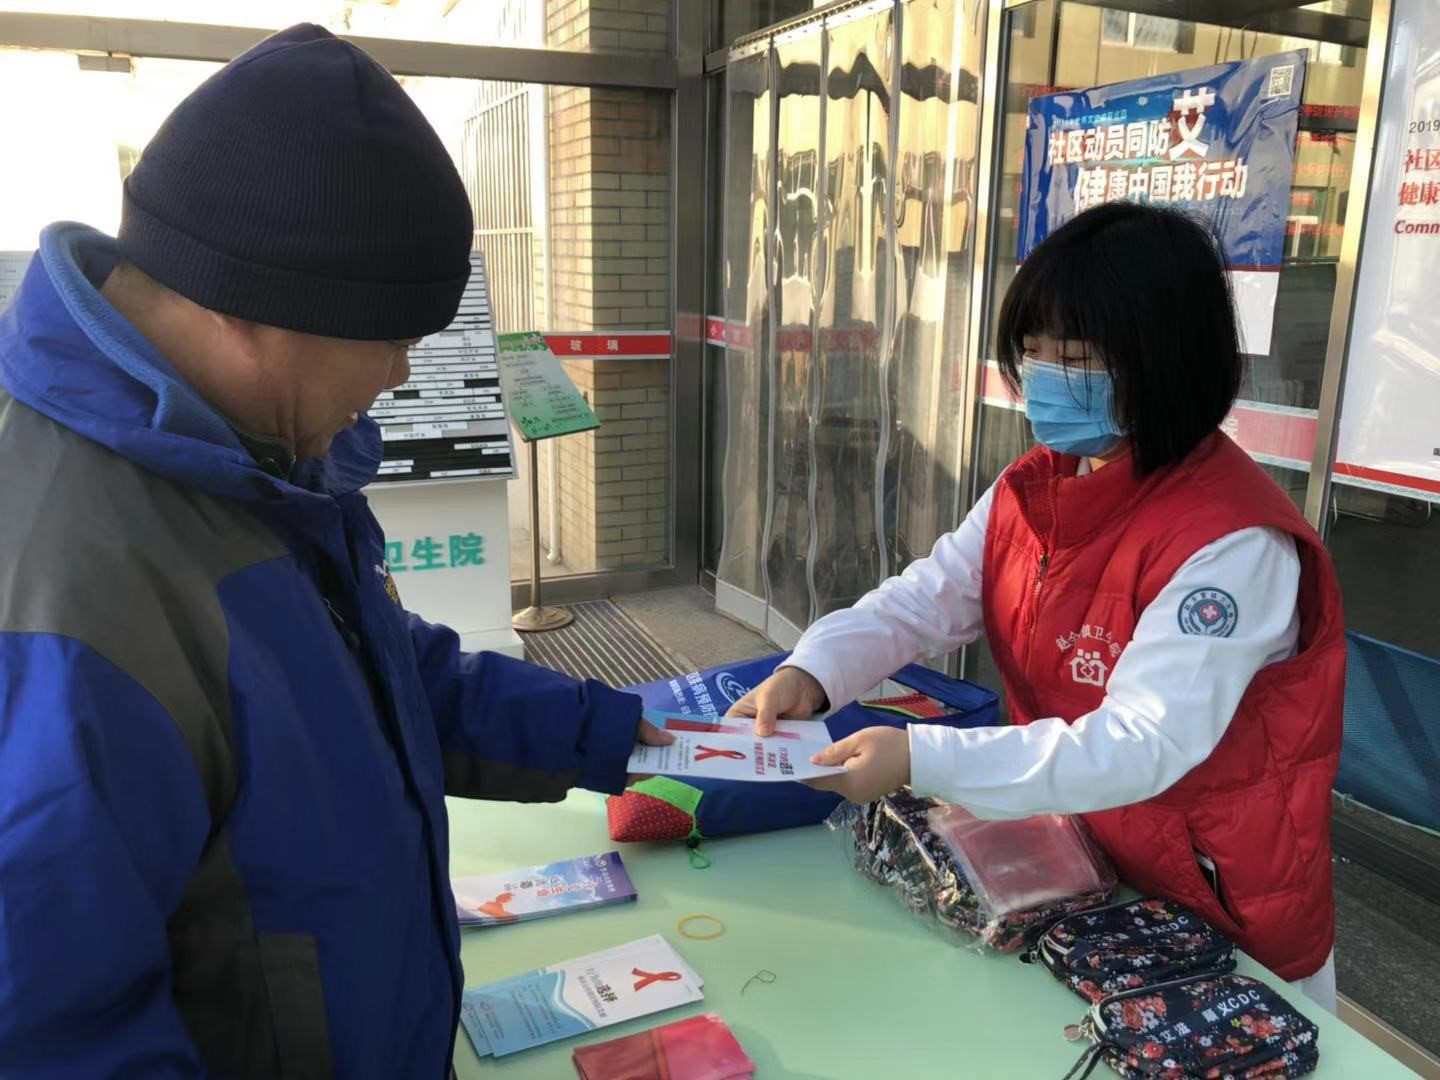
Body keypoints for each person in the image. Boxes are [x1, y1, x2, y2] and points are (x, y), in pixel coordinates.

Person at [0, 25, 669, 1078]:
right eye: (391, 338)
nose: (400, 376)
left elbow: (376, 678)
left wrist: (615, 731)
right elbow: (56, 1035)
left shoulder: (250, 459)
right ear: (253, 310)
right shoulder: (62, 592)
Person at [730, 202, 1344, 1011]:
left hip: (1212, 901)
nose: (1045, 376)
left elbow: (1143, 741)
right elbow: (928, 597)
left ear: (1168, 358)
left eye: (1077, 358)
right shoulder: (1039, 483)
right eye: (1033, 350)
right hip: (1081, 858)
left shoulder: (1233, 542)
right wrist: (813, 672)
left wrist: (921, 758)